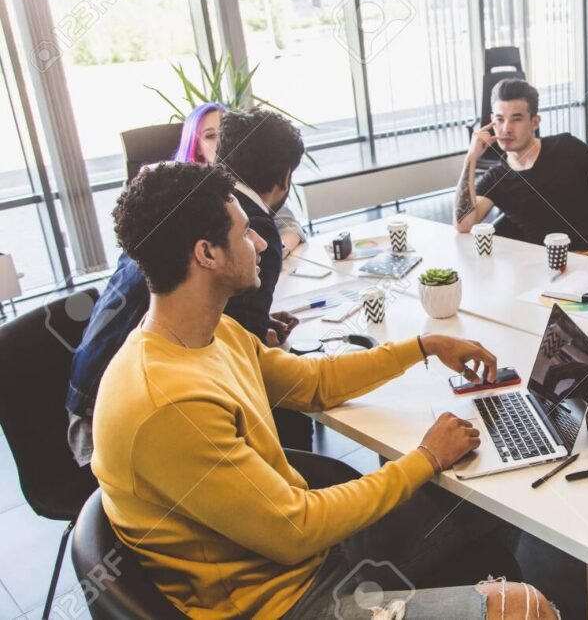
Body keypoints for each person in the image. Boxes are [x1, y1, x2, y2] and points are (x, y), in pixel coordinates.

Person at [92, 163, 558, 619]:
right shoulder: (169, 404)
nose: (259, 243)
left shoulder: (215, 335)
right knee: (527, 609)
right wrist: (425, 458)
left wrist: (425, 345)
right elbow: (297, 528)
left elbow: (315, 384)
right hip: (282, 601)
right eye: (244, 233)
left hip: (308, 556)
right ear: (206, 254)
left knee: (494, 496)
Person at [66, 108, 310, 463]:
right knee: (291, 416)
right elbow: (243, 370)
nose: (256, 243)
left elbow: (227, 333)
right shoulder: (248, 226)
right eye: (247, 236)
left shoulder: (183, 202)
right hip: (116, 434)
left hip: (91, 399)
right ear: (286, 177)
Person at [453, 78, 588, 251]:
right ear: (491, 121)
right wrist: (470, 158)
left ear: (534, 122)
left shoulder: (567, 146)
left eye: (516, 119)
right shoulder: (496, 178)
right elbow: (463, 224)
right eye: (500, 119)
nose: (506, 128)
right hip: (540, 267)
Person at [173, 101, 307, 254]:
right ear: (196, 146)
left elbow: (290, 226)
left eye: (225, 135)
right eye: (211, 136)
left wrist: (275, 252)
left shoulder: (252, 178)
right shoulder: (186, 194)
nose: (220, 142)